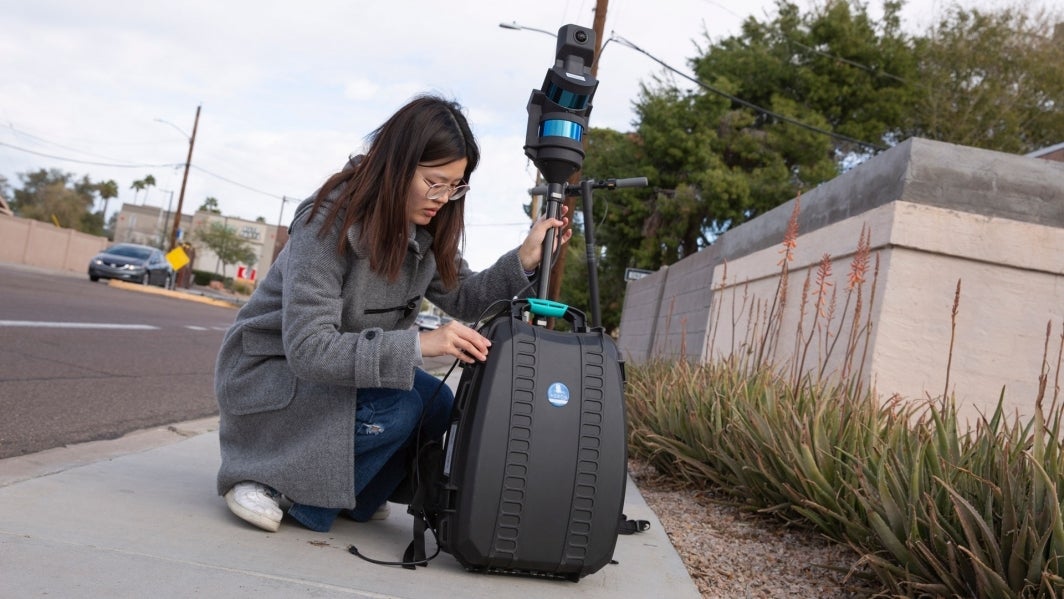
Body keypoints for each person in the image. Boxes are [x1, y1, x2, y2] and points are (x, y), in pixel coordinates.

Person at [214, 94, 570, 533]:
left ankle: (350, 496)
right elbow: (308, 349)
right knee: (398, 410)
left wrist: (525, 258)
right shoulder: (327, 222)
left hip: (339, 379)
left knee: (437, 402)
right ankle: (271, 479)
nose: (444, 197)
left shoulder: (420, 228)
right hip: (276, 374)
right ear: (398, 164)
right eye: (435, 182)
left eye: (455, 186)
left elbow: (466, 296)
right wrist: (421, 343)